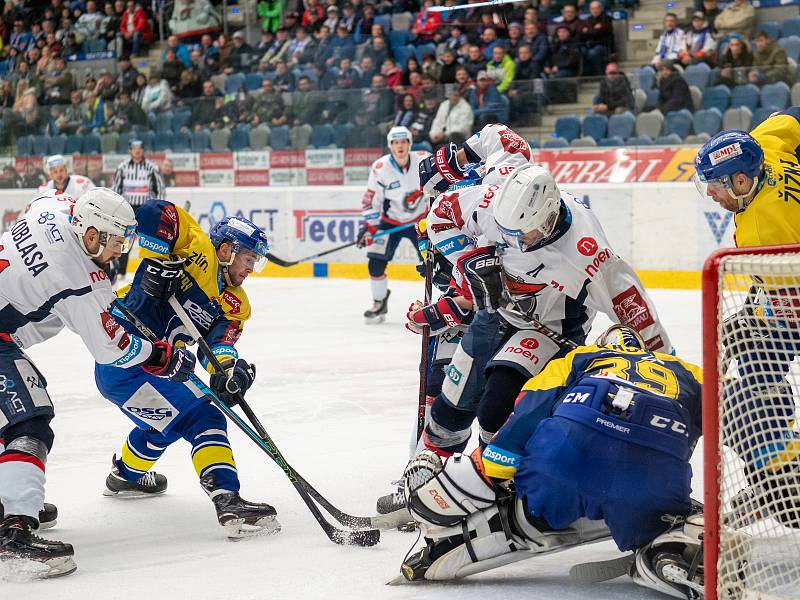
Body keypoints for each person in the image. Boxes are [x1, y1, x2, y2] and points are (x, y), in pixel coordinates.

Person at [416, 126, 672, 465]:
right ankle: (427, 475)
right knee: (453, 402)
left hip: (549, 324)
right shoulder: (494, 195)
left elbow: (637, 313)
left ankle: (493, 478)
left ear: (551, 216)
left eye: (523, 235)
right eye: (505, 233)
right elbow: (495, 142)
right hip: (496, 312)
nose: (513, 243)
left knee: (498, 407)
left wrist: (669, 369)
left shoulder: (587, 255)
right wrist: (467, 263)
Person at [397, 325, 705, 599]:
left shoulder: (582, 356)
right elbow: (742, 417)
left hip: (562, 460)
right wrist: (755, 475)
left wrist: (491, 472)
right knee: (667, 514)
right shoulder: (690, 371)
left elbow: (528, 412)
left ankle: (470, 509)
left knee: (530, 485)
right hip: (653, 481)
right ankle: (670, 545)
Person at [0, 188, 194, 577]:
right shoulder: (78, 278)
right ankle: (14, 533)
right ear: (91, 235)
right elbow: (110, 349)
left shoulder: (56, 208)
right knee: (29, 421)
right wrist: (160, 355)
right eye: (116, 241)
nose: (120, 251)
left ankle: (8, 502)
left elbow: (48, 196)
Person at [95, 201, 278, 539]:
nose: (251, 268)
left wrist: (229, 373)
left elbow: (218, 346)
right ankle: (227, 498)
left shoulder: (236, 304)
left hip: (156, 367)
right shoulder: (196, 249)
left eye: (256, 261)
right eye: (248, 258)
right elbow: (152, 212)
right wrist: (157, 259)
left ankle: (124, 474)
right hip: (125, 354)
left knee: (166, 424)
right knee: (202, 417)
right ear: (226, 249)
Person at [694, 112, 800, 528]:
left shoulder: (763, 230)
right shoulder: (766, 146)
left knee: (747, 393)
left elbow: (788, 302)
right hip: (784, 284)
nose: (712, 195)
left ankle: (783, 479)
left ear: (741, 181)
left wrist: (753, 321)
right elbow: (786, 121)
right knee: (755, 365)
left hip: (789, 289)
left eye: (716, 186)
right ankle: (777, 465)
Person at [357, 127, 430, 324]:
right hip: (391, 222)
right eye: (396, 142)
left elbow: (440, 187)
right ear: (390, 145)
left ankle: (437, 303)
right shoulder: (380, 168)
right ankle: (379, 301)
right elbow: (372, 200)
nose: (400, 146)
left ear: (410, 144)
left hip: (421, 222)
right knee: (375, 263)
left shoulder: (424, 160)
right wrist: (369, 227)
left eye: (404, 141)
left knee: (433, 265)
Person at [112, 138, 166, 278]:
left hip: (147, 209)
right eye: (134, 148)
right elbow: (116, 189)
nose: (137, 151)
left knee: (151, 240)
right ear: (130, 150)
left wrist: (158, 207)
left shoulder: (152, 167)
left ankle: (154, 271)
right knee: (124, 239)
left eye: (139, 148)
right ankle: (121, 271)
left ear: (143, 150)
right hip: (127, 208)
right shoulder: (122, 167)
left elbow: (160, 188)